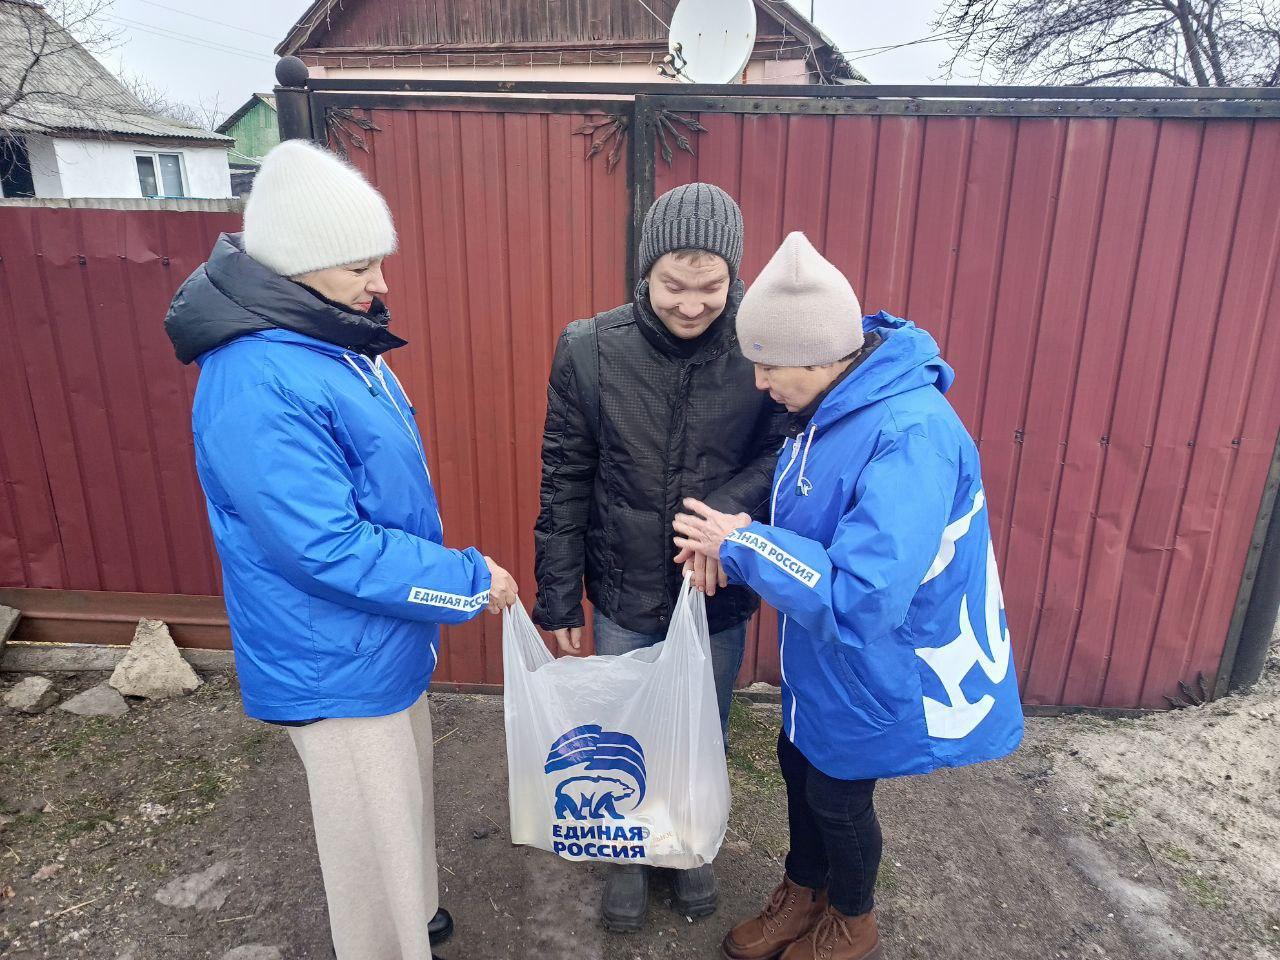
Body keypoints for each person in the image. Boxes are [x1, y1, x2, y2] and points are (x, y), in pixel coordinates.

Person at [163, 139, 519, 960]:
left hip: (376, 637)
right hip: (332, 656)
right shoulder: (260, 378)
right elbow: (324, 548)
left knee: (401, 809)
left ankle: (415, 914)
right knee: (368, 839)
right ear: (300, 265)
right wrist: (463, 581)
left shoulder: (329, 344)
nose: (382, 283)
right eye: (362, 265)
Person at [673, 232, 1024, 960]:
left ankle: (852, 920)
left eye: (770, 366)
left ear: (822, 355)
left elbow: (864, 592)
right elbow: (815, 521)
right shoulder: (834, 402)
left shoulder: (910, 431)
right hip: (823, 650)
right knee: (798, 761)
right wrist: (736, 551)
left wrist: (744, 543)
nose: (761, 383)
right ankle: (803, 894)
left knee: (838, 794)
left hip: (882, 654)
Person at [533, 183, 786, 930]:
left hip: (716, 586)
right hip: (622, 586)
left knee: (701, 725)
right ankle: (629, 852)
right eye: (674, 285)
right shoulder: (589, 347)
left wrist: (726, 514)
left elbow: (784, 450)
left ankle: (688, 847)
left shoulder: (759, 344)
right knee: (626, 728)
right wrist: (556, 595)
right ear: (645, 271)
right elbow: (564, 474)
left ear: (734, 278)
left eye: (711, 287)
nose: (691, 303)